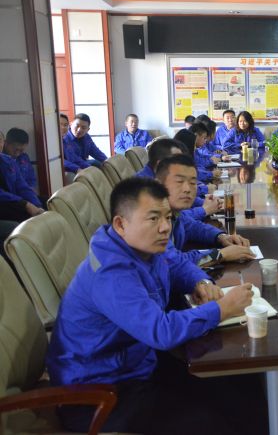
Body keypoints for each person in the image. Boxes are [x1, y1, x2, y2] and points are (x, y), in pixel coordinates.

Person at [46, 177, 265, 434]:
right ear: (120, 224)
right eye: (153, 219)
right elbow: (161, 332)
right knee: (211, 421)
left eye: (168, 218)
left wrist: (200, 282)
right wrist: (222, 308)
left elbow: (176, 265)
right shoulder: (111, 273)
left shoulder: (141, 246)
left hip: (137, 364)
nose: (165, 228)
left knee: (240, 385)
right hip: (100, 394)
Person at [155, 155, 256, 264]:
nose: (187, 189)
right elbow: (172, 263)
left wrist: (221, 237)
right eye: (179, 182)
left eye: (192, 183)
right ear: (159, 184)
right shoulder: (152, 220)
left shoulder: (174, 213)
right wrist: (220, 255)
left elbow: (191, 227)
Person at [136, 138, 219, 221]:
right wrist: (204, 210)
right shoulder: (144, 188)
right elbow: (177, 218)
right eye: (177, 160)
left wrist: (208, 203)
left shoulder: (164, 174)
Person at [0, 151, 44, 222]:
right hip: (6, 203)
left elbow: (22, 186)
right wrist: (25, 204)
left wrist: (37, 205)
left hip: (14, 202)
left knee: (47, 206)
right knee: (23, 219)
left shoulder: (9, 161)